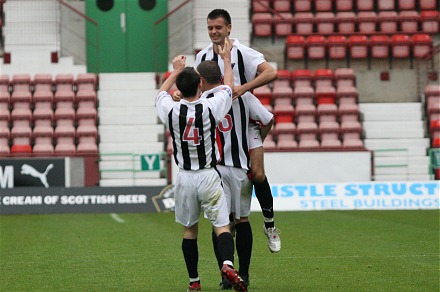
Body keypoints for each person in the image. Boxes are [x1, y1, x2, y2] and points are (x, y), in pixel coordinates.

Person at [156, 48, 247, 291]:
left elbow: (160, 94)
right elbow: (227, 87)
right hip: (209, 175)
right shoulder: (210, 108)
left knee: (189, 230)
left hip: (185, 178)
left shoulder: (172, 110)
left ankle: (194, 282)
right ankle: (227, 263)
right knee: (222, 226)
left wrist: (175, 71)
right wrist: (227, 61)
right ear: (200, 84)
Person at [195, 8, 281, 253]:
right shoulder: (202, 56)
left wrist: (244, 88)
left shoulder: (243, 52)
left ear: (229, 28)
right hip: (219, 127)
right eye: (210, 28)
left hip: (245, 119)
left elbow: (271, 72)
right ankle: (227, 259)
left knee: (258, 174)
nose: (214, 32)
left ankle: (270, 225)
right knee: (222, 202)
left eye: (218, 28)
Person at [197, 49, 274, 289]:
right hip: (240, 168)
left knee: (221, 224)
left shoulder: (202, 102)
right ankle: (245, 273)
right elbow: (268, 118)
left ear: (202, 81)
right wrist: (256, 140)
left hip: (216, 170)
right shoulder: (243, 96)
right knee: (242, 221)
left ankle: (225, 275)